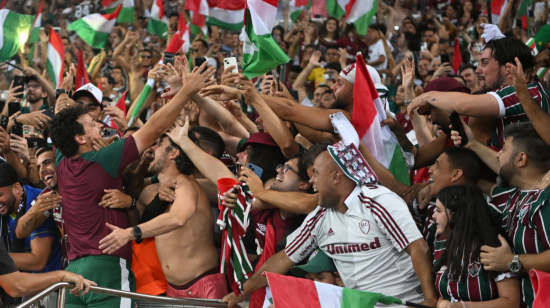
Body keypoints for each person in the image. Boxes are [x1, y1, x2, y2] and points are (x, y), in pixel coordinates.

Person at [48, 60, 216, 307]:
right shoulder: (104, 159)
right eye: (92, 125)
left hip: (74, 272)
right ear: (80, 138)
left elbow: (60, 120)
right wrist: (186, 91)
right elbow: (154, 128)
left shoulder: (61, 160)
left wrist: (62, 93)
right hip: (108, 269)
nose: (98, 125)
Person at [222, 147, 438, 308]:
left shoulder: (379, 201)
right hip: (362, 304)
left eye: (316, 173)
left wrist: (429, 299)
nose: (312, 181)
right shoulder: (321, 216)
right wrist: (244, 291)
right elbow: (283, 258)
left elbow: (418, 248)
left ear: (336, 177)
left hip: (403, 303)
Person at [99, 129, 225, 299]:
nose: (152, 148)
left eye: (159, 144)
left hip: (202, 286)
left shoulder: (186, 185)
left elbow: (178, 218)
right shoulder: (150, 191)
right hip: (173, 290)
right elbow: (140, 217)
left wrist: (129, 233)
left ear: (174, 153)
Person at [407, 36, 549, 149]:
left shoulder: (524, 91)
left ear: (508, 68)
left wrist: (428, 96)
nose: (477, 70)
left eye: (484, 63)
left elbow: (465, 106)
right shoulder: (530, 89)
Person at [465, 122, 550, 308]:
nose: (497, 154)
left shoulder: (546, 197)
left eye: (503, 149)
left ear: (521, 159)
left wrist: (511, 261)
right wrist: (471, 147)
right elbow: (488, 187)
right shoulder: (516, 195)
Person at [432, 185, 520, 308]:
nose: (433, 216)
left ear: (458, 215)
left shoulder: (494, 249)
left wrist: (464, 306)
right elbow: (444, 295)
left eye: (438, 210)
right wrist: (442, 303)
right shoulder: (442, 246)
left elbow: (511, 302)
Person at [0, 162, 62, 274]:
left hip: (51, 284)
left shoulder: (40, 201)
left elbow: (38, 261)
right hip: (23, 283)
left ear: (16, 188)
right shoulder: (5, 208)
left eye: (0, 195)